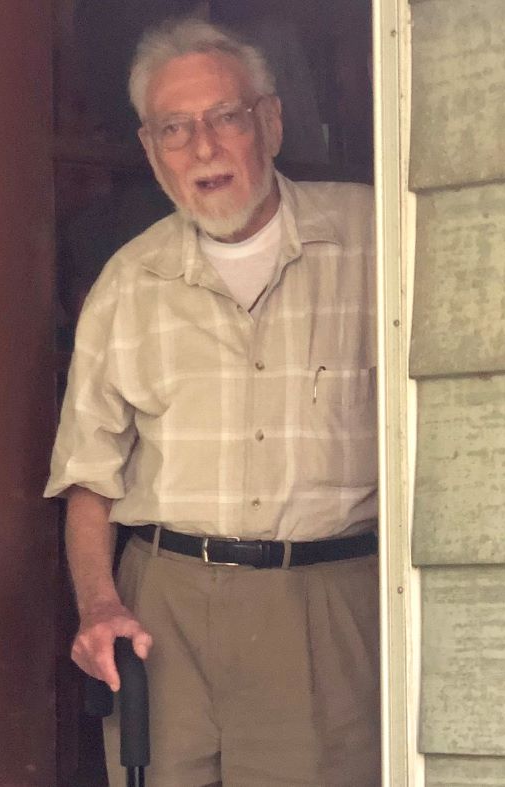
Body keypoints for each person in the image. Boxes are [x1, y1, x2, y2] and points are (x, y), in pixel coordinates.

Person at [44, 17, 379, 786]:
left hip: (325, 601)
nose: (202, 148)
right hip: (166, 608)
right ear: (150, 149)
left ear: (270, 119)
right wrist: (99, 608)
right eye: (174, 128)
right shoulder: (129, 282)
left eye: (224, 117)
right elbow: (88, 478)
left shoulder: (372, 239)